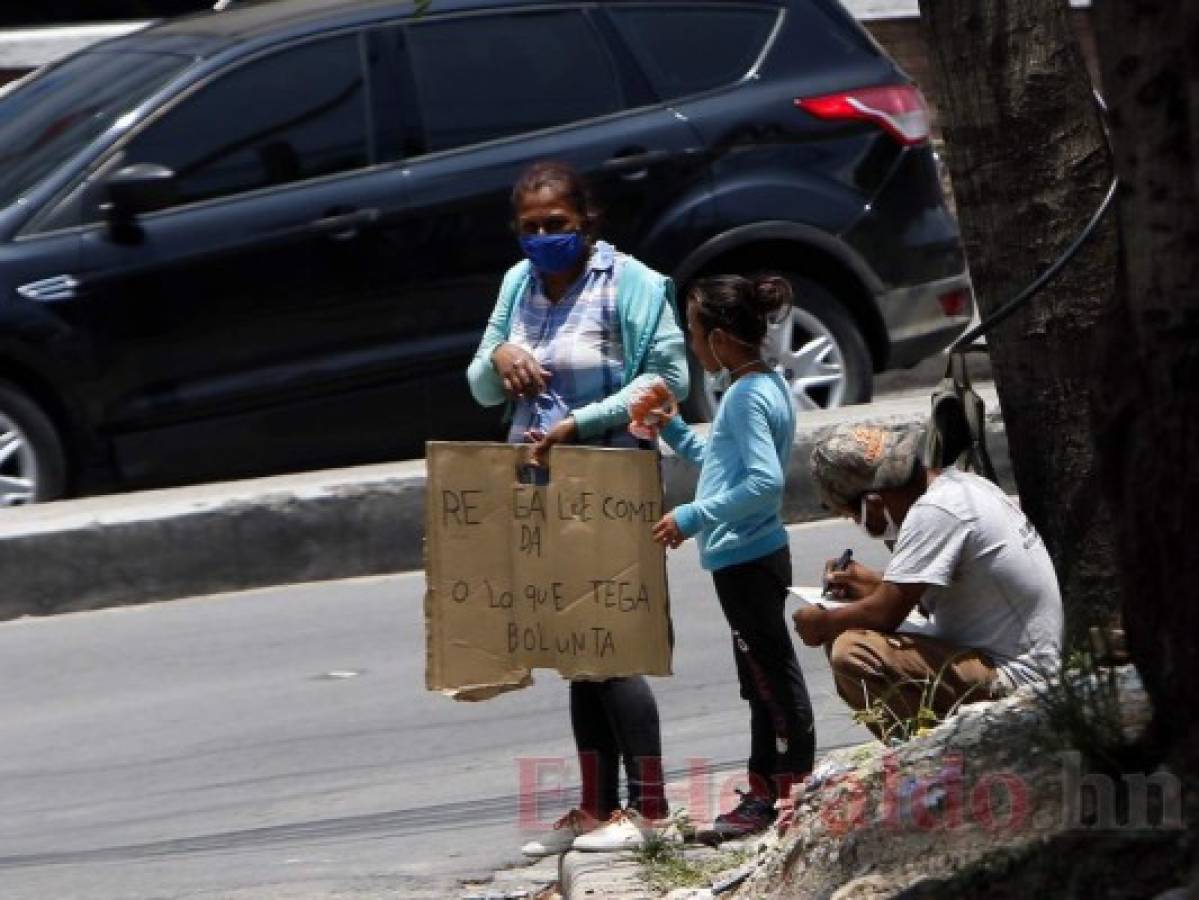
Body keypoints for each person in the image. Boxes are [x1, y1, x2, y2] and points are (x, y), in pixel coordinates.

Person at [466, 160, 688, 855]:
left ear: (586, 221)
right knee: (573, 646)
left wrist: (583, 422)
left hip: (611, 477)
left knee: (612, 645)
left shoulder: (636, 285)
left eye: (555, 226)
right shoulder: (516, 283)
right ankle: (596, 808)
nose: (542, 238)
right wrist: (502, 352)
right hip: (538, 485)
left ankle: (650, 812)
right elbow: (479, 387)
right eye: (529, 228)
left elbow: (668, 379)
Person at [650, 274, 816, 839]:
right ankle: (768, 789)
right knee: (760, 677)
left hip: (746, 558)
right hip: (750, 555)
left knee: (771, 679)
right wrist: (671, 427)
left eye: (694, 334)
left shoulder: (746, 396)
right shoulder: (760, 386)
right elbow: (725, 460)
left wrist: (691, 516)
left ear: (719, 338)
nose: (692, 347)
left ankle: (787, 791)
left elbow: (764, 485)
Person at [793, 425, 1064, 741]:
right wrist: (869, 583)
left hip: (1015, 678)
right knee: (852, 626)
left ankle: (921, 753)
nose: (857, 524)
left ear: (874, 503)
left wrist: (822, 621)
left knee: (851, 650)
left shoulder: (933, 514)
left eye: (853, 515)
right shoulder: (960, 485)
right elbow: (926, 596)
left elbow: (885, 614)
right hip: (1019, 658)